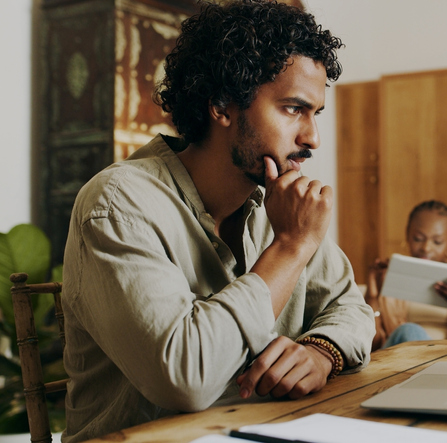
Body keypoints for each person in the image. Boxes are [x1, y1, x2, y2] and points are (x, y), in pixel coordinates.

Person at [59, 2, 374, 441]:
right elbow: (184, 378)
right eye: (292, 109)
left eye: (314, 113)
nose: (312, 138)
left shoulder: (276, 201)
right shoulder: (118, 203)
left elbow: (353, 310)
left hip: (266, 431)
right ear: (222, 105)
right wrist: (290, 248)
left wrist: (322, 351)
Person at [364, 200, 447, 350]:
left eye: (437, 241)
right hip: (398, 364)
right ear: (407, 236)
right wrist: (372, 296)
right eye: (418, 239)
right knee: (409, 332)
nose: (426, 247)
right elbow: (370, 348)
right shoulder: (389, 279)